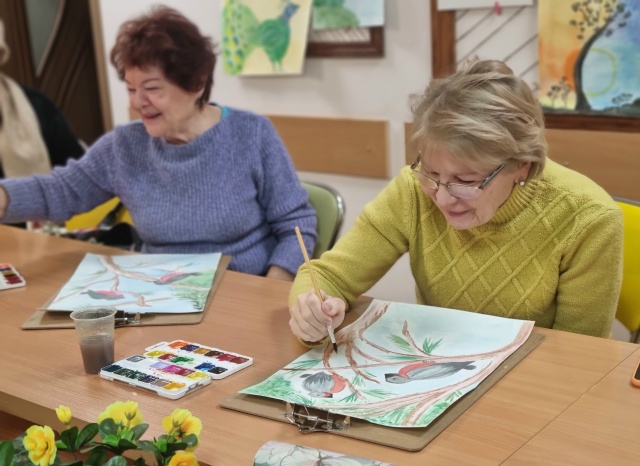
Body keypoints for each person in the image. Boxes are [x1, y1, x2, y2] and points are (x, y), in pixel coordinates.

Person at [289, 59, 623, 342]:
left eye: (465, 181)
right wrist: (313, 310)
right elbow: (328, 276)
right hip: (434, 368)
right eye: (432, 172)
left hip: (532, 380)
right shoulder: (412, 189)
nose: (443, 197)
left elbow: (579, 354)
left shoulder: (588, 217)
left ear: (522, 164)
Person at [0, 6, 316, 280]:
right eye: (130, 89)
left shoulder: (252, 134)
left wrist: (273, 286)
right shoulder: (125, 146)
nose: (137, 102)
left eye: (151, 88)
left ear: (196, 83)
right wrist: (4, 196)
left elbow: (297, 226)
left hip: (241, 289)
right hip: (159, 292)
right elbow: (62, 190)